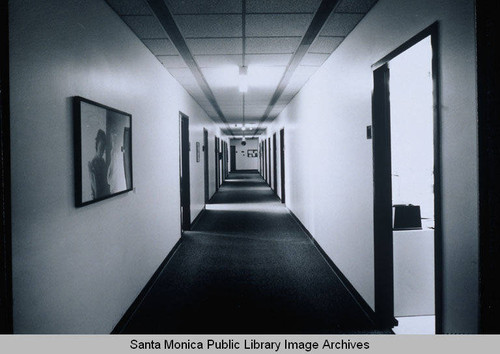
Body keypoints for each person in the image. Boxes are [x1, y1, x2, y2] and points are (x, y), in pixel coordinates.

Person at [88, 129, 110, 199]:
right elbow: (95, 188)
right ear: (97, 146)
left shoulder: (103, 161)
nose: (102, 151)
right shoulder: (93, 164)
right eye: (101, 148)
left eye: (103, 148)